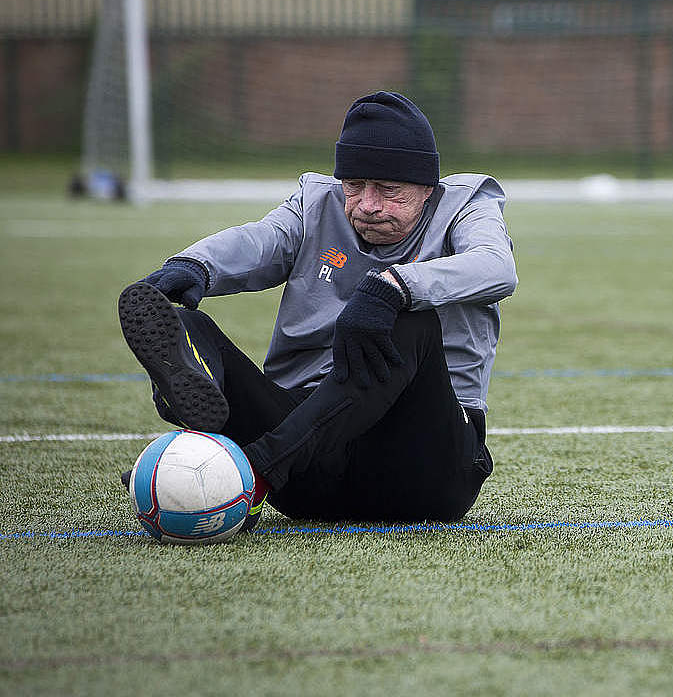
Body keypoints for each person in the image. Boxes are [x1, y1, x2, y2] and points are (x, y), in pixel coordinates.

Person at [117, 91, 517, 527]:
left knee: (410, 319)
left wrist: (394, 285)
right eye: (355, 186)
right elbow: (263, 239)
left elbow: (496, 266)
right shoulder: (316, 204)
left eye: (388, 189)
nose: (367, 204)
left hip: (423, 473)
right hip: (312, 476)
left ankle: (248, 470)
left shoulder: (466, 205)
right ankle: (200, 441)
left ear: (427, 189)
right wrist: (196, 264)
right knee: (188, 324)